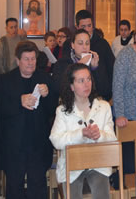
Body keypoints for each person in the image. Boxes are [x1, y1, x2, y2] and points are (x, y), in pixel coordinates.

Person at [0, 41, 57, 198]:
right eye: (26, 59)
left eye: (33, 59)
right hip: (14, 145)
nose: (31, 63)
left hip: (38, 144)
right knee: (14, 187)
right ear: (18, 60)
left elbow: (52, 111)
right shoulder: (5, 81)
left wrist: (48, 95)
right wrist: (19, 101)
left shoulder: (44, 78)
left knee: (38, 186)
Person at [50, 64, 117, 199]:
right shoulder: (62, 111)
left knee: (100, 187)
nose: (86, 84)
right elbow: (56, 140)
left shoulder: (103, 107)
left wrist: (99, 136)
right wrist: (81, 134)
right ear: (72, 86)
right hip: (72, 168)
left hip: (98, 165)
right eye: (81, 81)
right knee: (73, 190)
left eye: (88, 79)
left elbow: (112, 139)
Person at [53, 29, 107, 99]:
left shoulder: (94, 61)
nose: (84, 47)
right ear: (73, 45)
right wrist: (77, 66)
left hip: (90, 104)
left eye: (87, 43)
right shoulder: (62, 63)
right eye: (80, 43)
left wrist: (95, 68)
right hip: (70, 103)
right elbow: (58, 88)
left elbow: (103, 90)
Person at [74, 10, 115, 101]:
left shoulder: (103, 44)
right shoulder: (71, 45)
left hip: (100, 94)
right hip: (77, 96)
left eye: (89, 26)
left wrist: (110, 92)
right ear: (77, 27)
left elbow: (111, 68)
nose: (87, 29)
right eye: (83, 26)